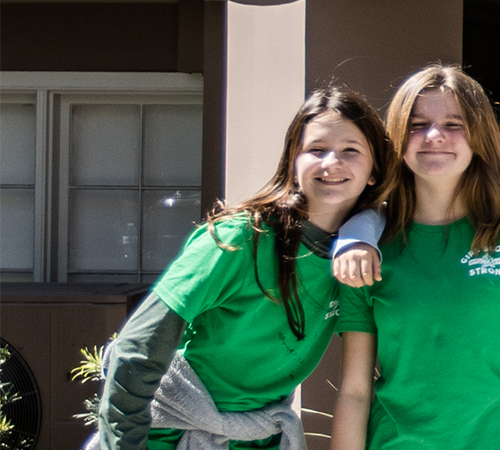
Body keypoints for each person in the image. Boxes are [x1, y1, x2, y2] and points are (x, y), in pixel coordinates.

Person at [89, 86, 391, 450]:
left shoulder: (359, 258)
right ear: (293, 162)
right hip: (168, 434)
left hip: (257, 436)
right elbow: (136, 349)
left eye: (351, 151)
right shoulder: (242, 239)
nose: (332, 162)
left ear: (374, 170)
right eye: (316, 149)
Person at [330, 64, 500, 450]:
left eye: (454, 123)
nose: (434, 136)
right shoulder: (369, 246)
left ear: (479, 135)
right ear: (397, 136)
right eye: (417, 124)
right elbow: (355, 390)